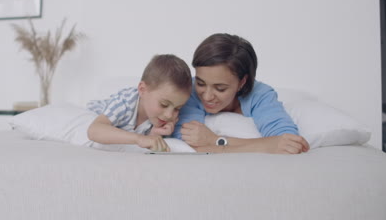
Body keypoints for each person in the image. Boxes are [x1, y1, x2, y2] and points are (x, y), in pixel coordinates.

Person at [171, 33, 310, 154]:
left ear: (242, 82)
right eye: (201, 83)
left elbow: (289, 143)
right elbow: (187, 145)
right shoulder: (188, 91)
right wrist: (266, 145)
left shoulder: (260, 95)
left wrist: (214, 141)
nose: (207, 96)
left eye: (220, 88)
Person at [87, 54, 192, 152]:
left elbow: (148, 141)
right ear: (142, 90)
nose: (169, 115)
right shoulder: (125, 102)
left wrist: (155, 133)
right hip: (95, 114)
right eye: (164, 104)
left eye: (177, 108)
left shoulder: (158, 118)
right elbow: (94, 131)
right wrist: (139, 139)